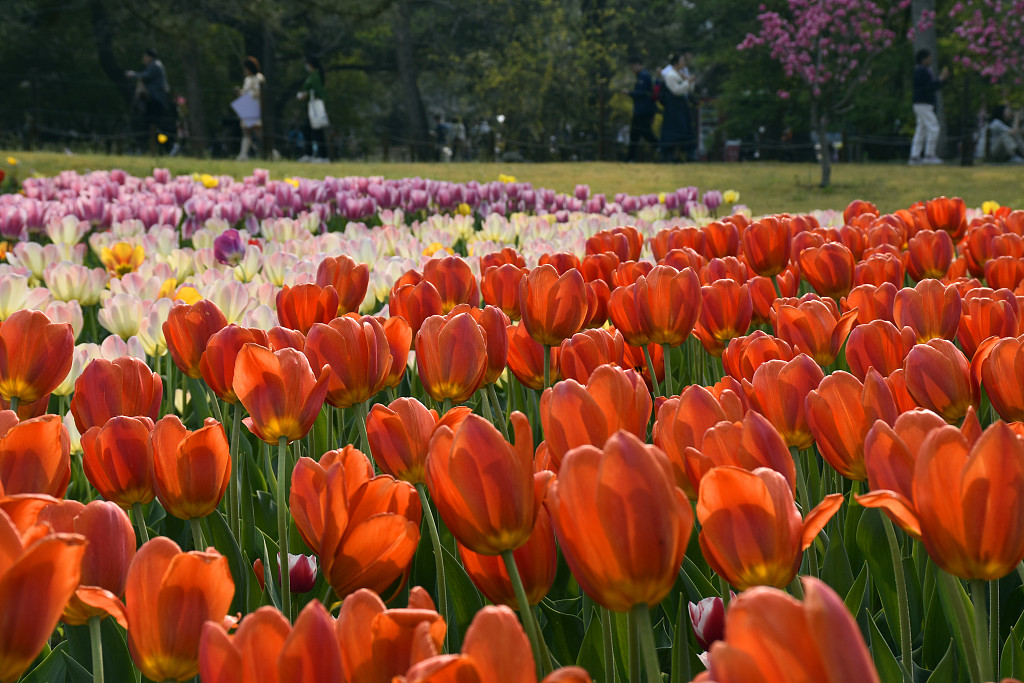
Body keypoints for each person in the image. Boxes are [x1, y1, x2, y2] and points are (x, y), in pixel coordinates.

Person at [126, 49, 171, 152]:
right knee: (152, 126)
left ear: (150, 57)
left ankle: (165, 147)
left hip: (155, 101)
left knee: (153, 126)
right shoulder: (156, 65)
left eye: (145, 57)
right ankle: (157, 147)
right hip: (155, 100)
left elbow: (145, 76)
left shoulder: (155, 66)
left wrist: (132, 75)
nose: (143, 59)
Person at [909, 49, 949, 165]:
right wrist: (940, 79)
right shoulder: (921, 71)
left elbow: (933, 86)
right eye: (929, 57)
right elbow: (929, 87)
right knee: (934, 127)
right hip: (923, 103)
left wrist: (942, 80)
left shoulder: (924, 70)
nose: (931, 60)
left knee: (921, 129)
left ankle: (915, 156)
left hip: (922, 103)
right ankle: (929, 154)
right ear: (923, 59)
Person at [658, 49, 695, 163]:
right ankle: (670, 155)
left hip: (682, 105)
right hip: (673, 106)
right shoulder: (670, 75)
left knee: (684, 129)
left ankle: (678, 155)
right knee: (674, 130)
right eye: (682, 60)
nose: (684, 62)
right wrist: (687, 82)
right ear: (676, 62)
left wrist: (688, 81)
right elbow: (676, 90)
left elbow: (689, 90)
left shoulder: (682, 74)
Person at [623, 55, 658, 161]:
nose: (632, 70)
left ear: (638, 65)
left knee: (645, 133)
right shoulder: (641, 76)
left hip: (643, 110)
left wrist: (629, 93)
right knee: (635, 134)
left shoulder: (644, 76)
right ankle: (630, 157)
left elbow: (643, 93)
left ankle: (661, 148)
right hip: (640, 110)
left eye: (633, 67)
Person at [297, 55, 329, 162]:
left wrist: (305, 95)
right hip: (311, 106)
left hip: (315, 106)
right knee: (308, 129)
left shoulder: (315, 76)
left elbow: (316, 91)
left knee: (317, 130)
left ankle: (323, 156)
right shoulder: (313, 75)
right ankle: (309, 153)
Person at [236, 57, 265, 161]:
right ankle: (243, 154)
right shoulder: (247, 79)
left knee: (258, 132)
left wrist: (245, 94)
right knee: (246, 131)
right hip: (246, 105)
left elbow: (257, 92)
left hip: (254, 106)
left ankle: (272, 152)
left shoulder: (259, 78)